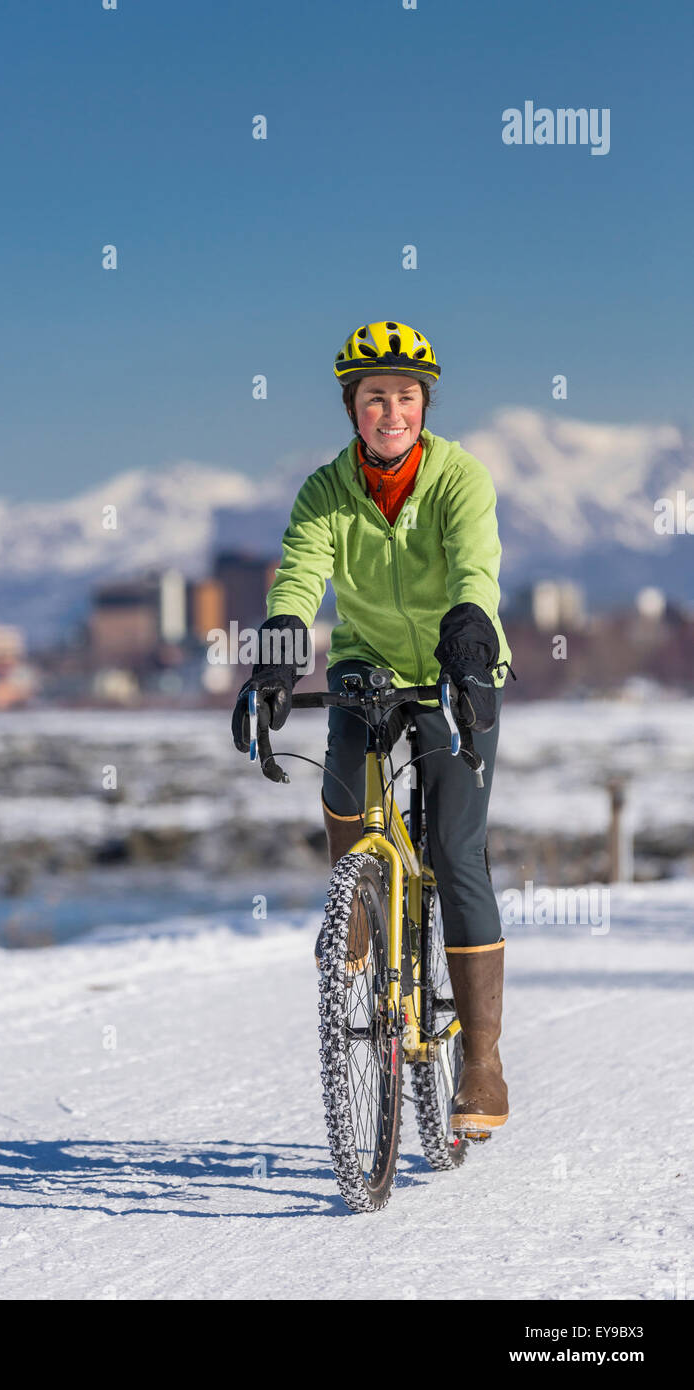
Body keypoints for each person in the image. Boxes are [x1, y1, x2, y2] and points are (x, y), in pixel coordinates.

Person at [231, 319, 516, 1132]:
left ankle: (483, 1062)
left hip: (457, 665)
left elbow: (474, 568)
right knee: (343, 789)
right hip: (366, 663)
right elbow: (299, 575)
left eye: (405, 398)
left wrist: (467, 644)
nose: (390, 412)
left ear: (424, 405)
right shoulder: (325, 490)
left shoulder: (461, 478)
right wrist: (278, 665)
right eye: (373, 399)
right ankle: (356, 912)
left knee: (457, 850)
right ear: (351, 408)